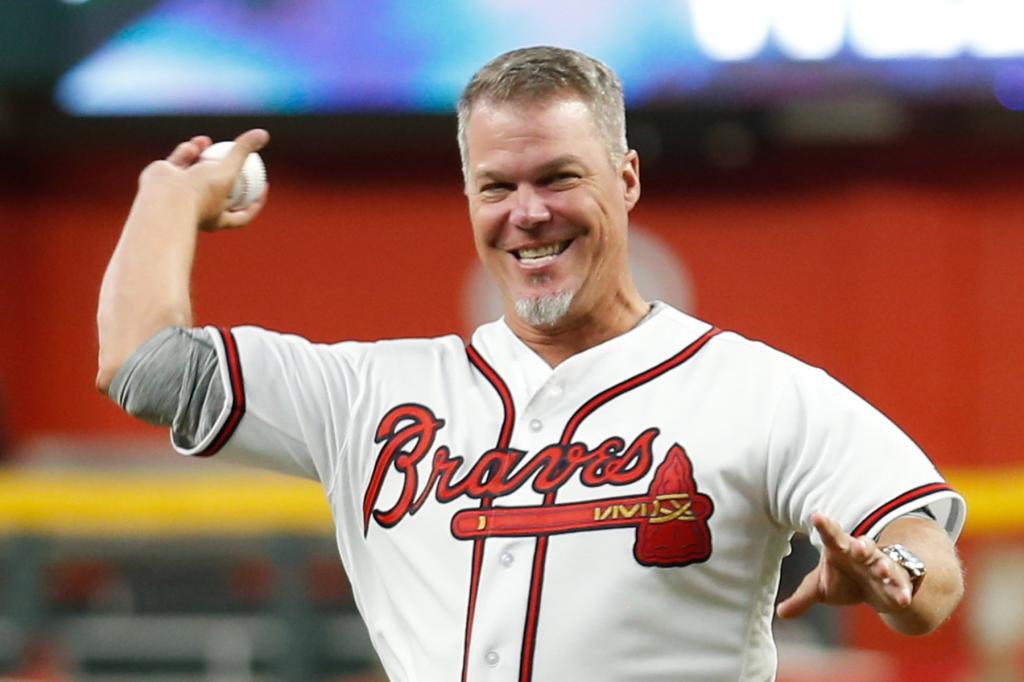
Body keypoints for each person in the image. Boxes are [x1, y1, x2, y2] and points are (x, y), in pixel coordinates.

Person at [96, 46, 966, 681]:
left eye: (558, 177)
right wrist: (164, 200)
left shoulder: (756, 390)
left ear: (625, 178)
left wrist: (899, 577)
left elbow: (922, 547)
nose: (529, 212)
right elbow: (144, 366)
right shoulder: (366, 394)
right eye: (497, 187)